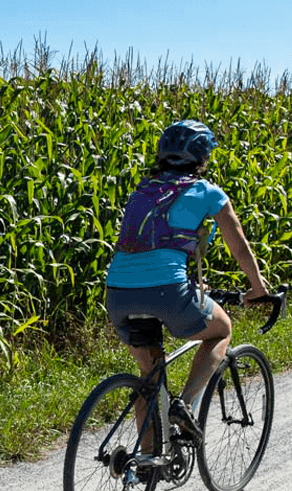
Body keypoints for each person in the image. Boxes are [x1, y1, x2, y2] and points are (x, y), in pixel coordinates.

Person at [104, 119, 271, 446]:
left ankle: (147, 462)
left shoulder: (142, 191)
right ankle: (185, 405)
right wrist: (258, 287)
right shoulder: (206, 192)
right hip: (169, 290)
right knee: (221, 328)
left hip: (118, 294)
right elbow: (237, 244)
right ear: (201, 158)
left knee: (149, 380)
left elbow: (148, 250)